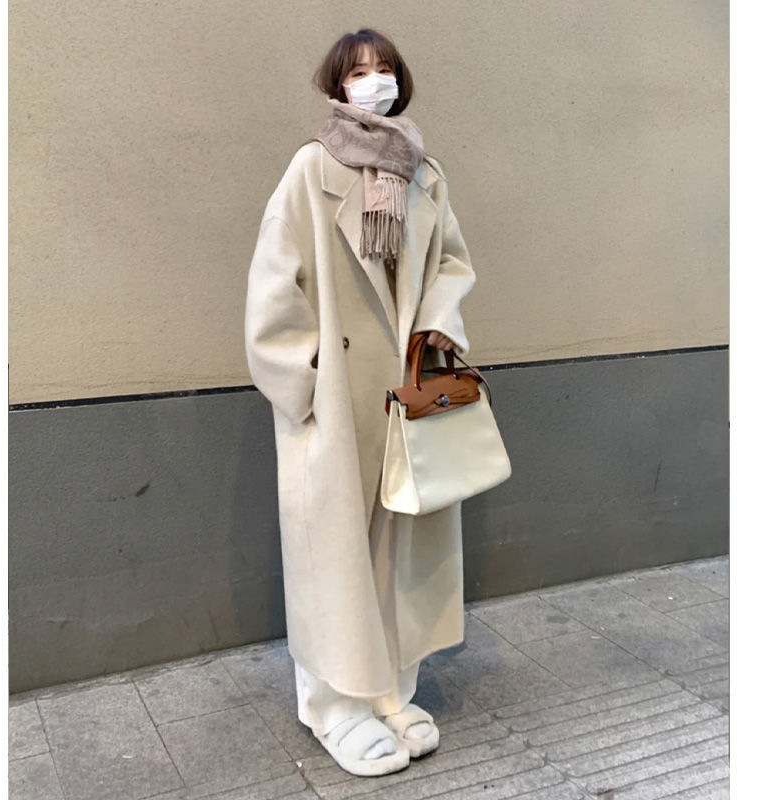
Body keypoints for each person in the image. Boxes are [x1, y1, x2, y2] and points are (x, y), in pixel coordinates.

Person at [244, 27, 477, 777]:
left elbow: (450, 262)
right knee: (334, 555)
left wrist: (438, 327)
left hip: (404, 391)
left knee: (400, 548)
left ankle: (389, 692)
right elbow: (273, 280)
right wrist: (305, 383)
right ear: (337, 87)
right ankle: (333, 705)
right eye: (357, 73)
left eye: (383, 70)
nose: (372, 82)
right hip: (337, 400)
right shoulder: (312, 167)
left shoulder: (423, 172)